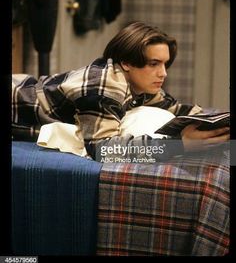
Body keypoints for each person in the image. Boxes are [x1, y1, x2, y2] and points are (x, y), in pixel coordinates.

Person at [12, 21, 229, 161]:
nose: (163, 74)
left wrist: (221, 127)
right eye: (153, 64)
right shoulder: (105, 84)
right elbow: (102, 150)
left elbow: (178, 109)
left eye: (165, 64)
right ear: (126, 63)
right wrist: (179, 145)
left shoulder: (142, 86)